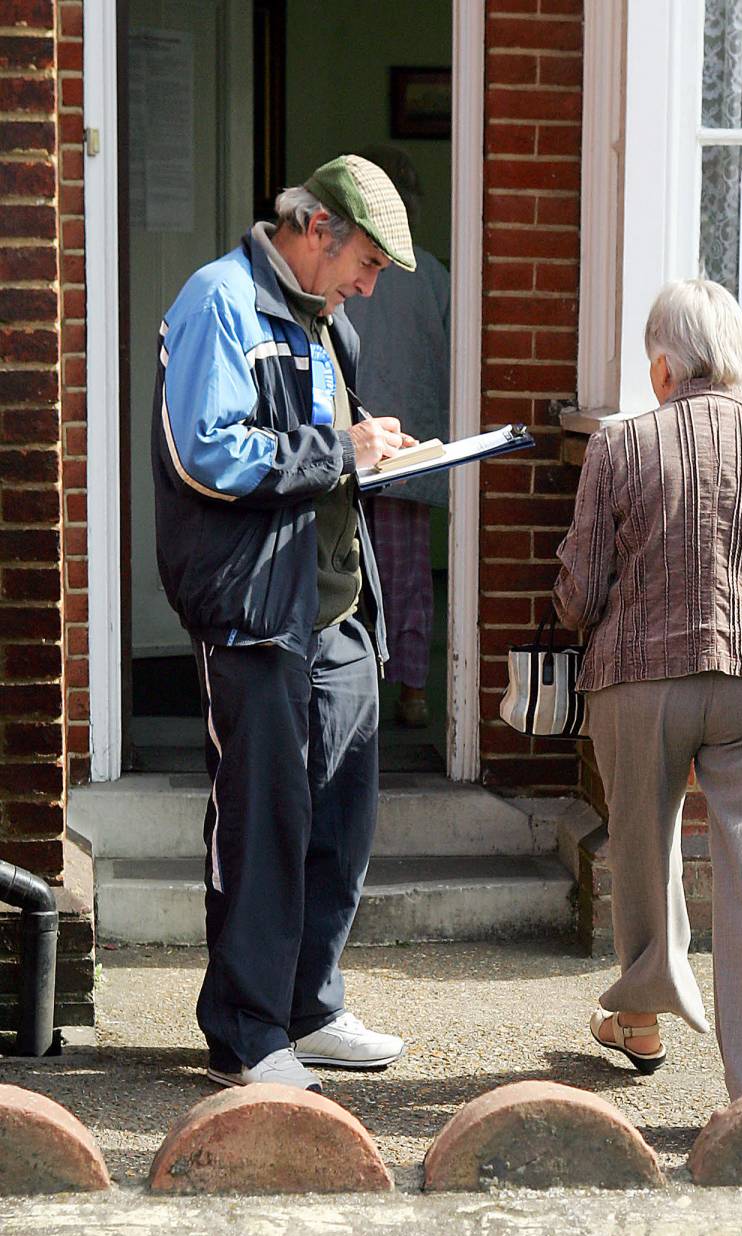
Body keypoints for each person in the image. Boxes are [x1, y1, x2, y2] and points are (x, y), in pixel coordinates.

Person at [152, 155, 418, 1092]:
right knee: (262, 821)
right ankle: (245, 1033)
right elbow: (205, 453)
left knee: (339, 819)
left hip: (335, 606)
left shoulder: (323, 320)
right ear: (317, 229)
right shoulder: (217, 301)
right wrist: (334, 448)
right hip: (257, 607)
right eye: (368, 263)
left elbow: (320, 458)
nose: (369, 285)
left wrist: (371, 452)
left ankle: (309, 1008)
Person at [553, 278, 742, 1102]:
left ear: (663, 369)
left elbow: (580, 586)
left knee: (642, 846)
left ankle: (641, 1018)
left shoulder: (618, 447)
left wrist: (587, 611)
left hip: (640, 677)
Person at [345, 148, 451, 731]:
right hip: (410, 444)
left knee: (353, 572)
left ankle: (359, 690)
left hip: (354, 441)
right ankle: (412, 691)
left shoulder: (345, 274)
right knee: (408, 576)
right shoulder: (433, 275)